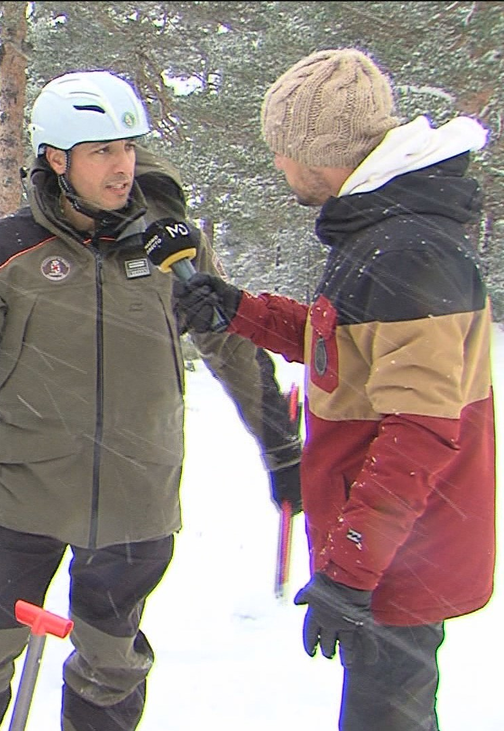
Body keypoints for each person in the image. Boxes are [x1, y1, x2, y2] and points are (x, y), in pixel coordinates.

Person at [0, 69, 303, 731]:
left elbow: (228, 344)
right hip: (26, 495)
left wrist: (281, 446)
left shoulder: (173, 247)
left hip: (137, 497)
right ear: (57, 160)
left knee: (110, 665)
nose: (122, 166)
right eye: (101, 151)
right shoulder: (7, 251)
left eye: (128, 148)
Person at [173, 48, 496, 730]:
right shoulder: (382, 231)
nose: (277, 164)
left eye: (281, 150)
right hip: (392, 547)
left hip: (400, 554)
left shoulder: (407, 248)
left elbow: (420, 430)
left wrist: (350, 569)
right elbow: (348, 350)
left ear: (316, 153)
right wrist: (238, 309)